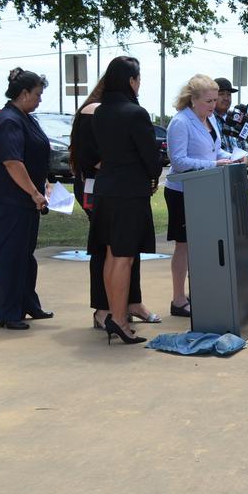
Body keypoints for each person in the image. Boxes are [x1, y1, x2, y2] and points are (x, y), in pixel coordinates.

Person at [69, 75, 160, 329]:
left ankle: (131, 302)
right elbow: (87, 155)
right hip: (99, 185)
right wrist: (118, 168)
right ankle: (104, 308)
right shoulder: (93, 111)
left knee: (126, 248)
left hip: (118, 186)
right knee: (106, 248)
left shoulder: (110, 111)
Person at [89, 56, 162, 345]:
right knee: (123, 258)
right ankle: (119, 320)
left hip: (106, 190)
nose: (140, 82)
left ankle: (113, 316)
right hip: (128, 193)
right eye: (139, 78)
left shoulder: (100, 111)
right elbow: (150, 158)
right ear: (131, 81)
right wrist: (154, 171)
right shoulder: (135, 113)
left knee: (111, 255)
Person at [0, 68, 52, 330]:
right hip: (8, 200)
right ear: (23, 93)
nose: (40, 100)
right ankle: (8, 312)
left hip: (25, 201)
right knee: (10, 256)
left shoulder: (26, 118)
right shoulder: (9, 121)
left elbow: (35, 154)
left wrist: (44, 183)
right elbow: (13, 162)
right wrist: (34, 192)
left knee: (25, 255)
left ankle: (27, 304)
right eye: (37, 94)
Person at [164, 74, 235, 317]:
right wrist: (214, 165)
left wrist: (234, 155)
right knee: (183, 247)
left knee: (203, 245)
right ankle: (178, 298)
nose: (213, 105)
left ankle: (201, 293)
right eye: (208, 101)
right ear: (192, 99)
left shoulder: (211, 119)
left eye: (215, 100)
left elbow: (214, 150)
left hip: (206, 190)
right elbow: (179, 161)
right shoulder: (180, 122)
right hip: (182, 193)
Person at [212, 77, 243, 151]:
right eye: (221, 94)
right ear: (212, 97)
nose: (226, 98)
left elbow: (242, 144)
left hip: (238, 162)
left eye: (229, 94)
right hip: (218, 162)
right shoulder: (207, 119)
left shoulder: (236, 118)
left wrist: (244, 157)